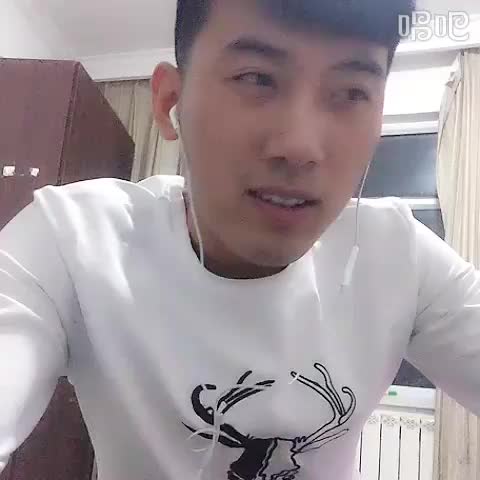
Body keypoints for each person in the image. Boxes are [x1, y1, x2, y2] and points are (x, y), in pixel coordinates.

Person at [1, 0, 479, 479]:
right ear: (170, 103)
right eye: (257, 78)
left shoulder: (399, 255)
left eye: (352, 92)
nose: (300, 146)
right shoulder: (73, 239)